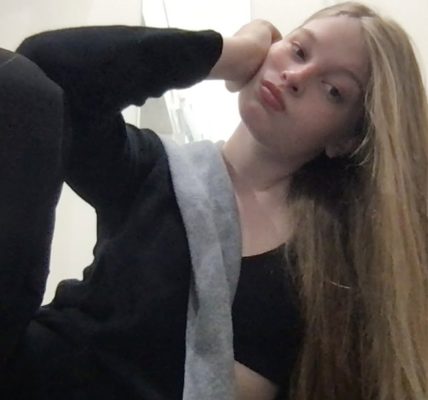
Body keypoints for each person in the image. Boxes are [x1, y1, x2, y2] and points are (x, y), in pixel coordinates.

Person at [1, 1, 427, 399]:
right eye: (298, 50)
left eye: (333, 90)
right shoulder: (152, 170)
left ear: (347, 140)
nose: (296, 76)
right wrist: (227, 53)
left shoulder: (333, 277)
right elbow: (41, 72)